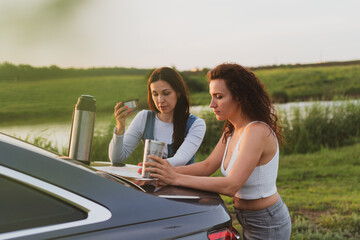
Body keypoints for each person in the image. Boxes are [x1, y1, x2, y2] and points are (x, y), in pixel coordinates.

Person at [145, 63, 292, 239]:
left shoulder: (256, 131)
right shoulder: (232, 129)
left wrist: (175, 178)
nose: (211, 104)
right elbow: (207, 166)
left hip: (268, 223)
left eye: (218, 97)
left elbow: (231, 185)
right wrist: (161, 171)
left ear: (239, 97)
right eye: (211, 96)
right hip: (249, 219)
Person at [108, 67, 206, 167]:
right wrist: (120, 127)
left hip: (181, 182)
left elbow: (181, 158)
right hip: (150, 182)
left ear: (178, 93)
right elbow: (116, 159)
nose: (160, 100)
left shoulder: (196, 124)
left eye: (166, 93)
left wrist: (153, 166)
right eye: (155, 94)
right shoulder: (144, 118)